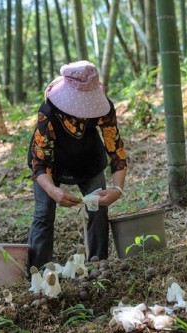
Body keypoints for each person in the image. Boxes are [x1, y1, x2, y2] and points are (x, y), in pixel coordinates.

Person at [26, 60, 127, 271]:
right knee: (44, 213)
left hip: (88, 160)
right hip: (51, 165)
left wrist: (118, 189)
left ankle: (98, 265)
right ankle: (38, 272)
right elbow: (39, 163)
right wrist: (53, 190)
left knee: (98, 207)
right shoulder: (49, 111)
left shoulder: (103, 108)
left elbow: (116, 148)